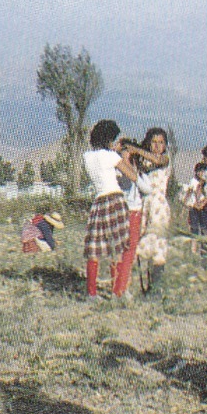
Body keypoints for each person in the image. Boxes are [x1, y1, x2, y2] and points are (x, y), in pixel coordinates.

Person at [82, 120, 140, 298]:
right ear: (109, 140)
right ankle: (118, 291)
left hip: (98, 201)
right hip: (115, 199)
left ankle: (92, 292)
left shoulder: (87, 157)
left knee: (94, 248)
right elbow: (133, 176)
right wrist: (123, 155)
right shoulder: (112, 157)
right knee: (119, 246)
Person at [129, 128, 173, 294]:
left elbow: (157, 160)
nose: (157, 146)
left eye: (161, 142)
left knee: (158, 246)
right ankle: (147, 286)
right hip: (144, 205)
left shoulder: (165, 159)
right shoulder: (144, 161)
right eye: (154, 142)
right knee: (144, 246)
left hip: (159, 205)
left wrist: (137, 150)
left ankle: (157, 288)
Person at [110, 137, 154, 298]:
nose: (125, 155)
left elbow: (148, 189)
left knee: (129, 253)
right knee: (119, 251)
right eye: (123, 151)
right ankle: (117, 288)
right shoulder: (116, 169)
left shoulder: (138, 170)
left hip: (135, 212)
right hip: (121, 211)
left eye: (127, 151)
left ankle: (122, 287)